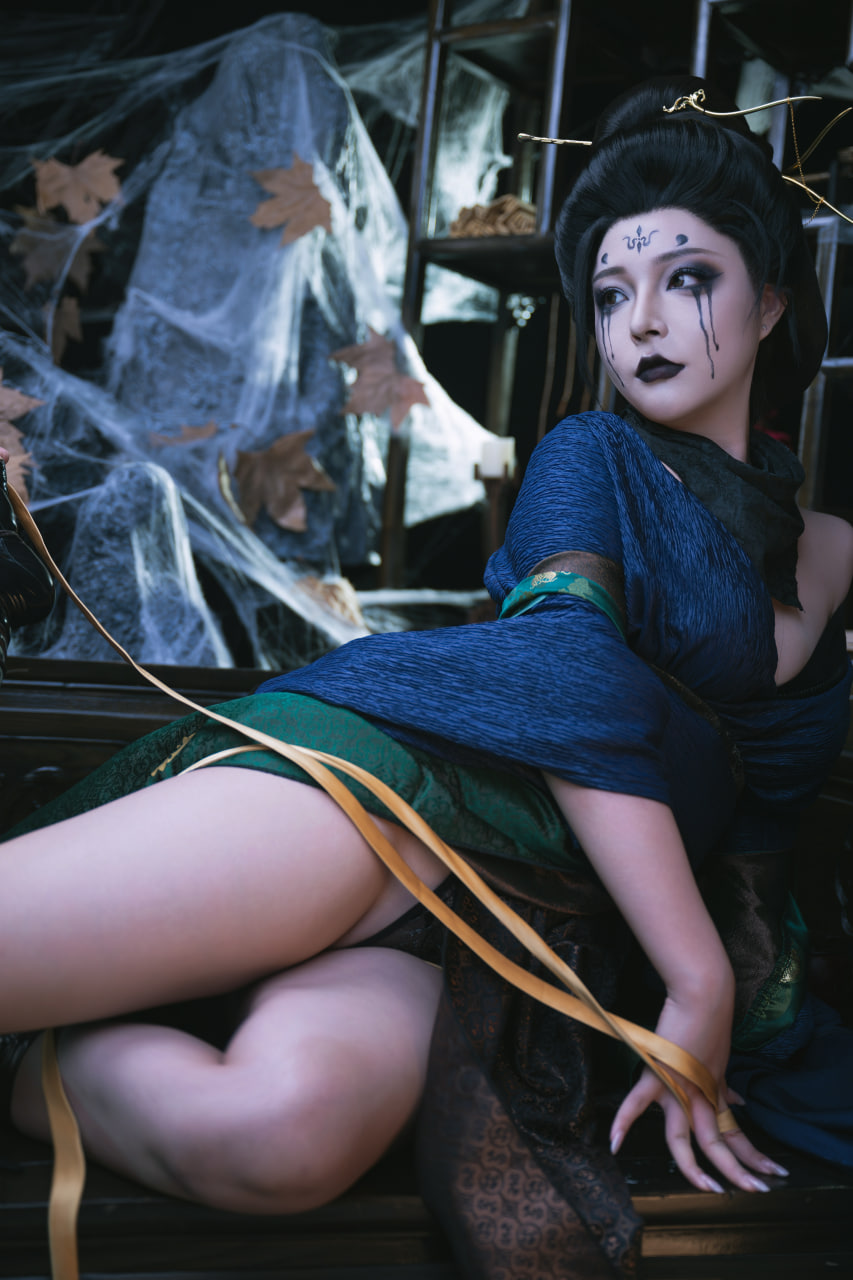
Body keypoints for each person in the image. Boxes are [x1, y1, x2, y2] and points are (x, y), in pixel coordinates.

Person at [1, 74, 852, 1278]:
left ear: (769, 301)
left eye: (688, 279)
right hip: (395, 791)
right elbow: (567, 673)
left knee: (276, 1137)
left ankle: (46, 1048)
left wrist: (748, 1016)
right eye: (612, 293)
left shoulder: (831, 550)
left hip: (515, 932)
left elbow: (755, 839)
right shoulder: (590, 454)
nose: (642, 322)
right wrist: (695, 976)